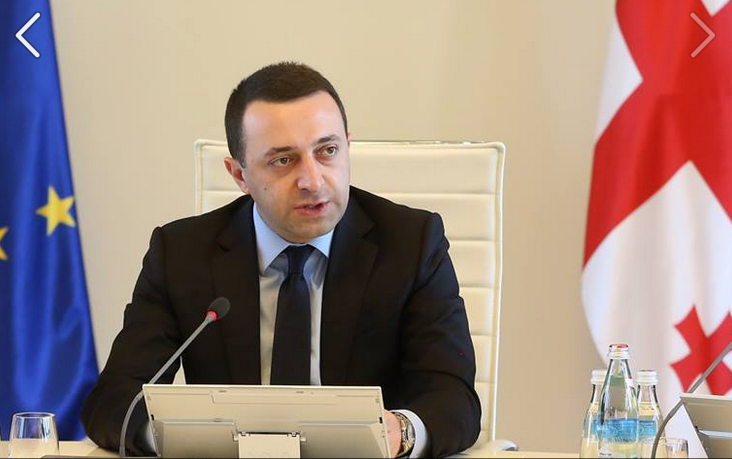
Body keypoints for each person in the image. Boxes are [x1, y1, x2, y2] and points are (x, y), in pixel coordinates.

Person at [81, 62, 480, 458]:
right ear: (239, 175)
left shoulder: (411, 244)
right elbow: (115, 400)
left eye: (327, 151)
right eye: (283, 160)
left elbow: (453, 398)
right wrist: (181, 437)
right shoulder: (182, 254)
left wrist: (400, 433)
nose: (312, 181)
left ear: (348, 146)